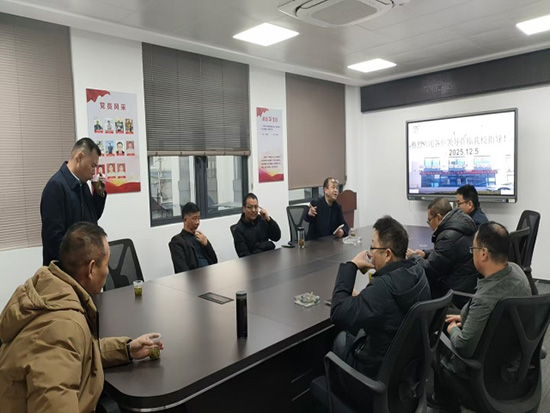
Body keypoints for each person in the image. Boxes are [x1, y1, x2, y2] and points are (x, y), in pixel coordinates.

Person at [0, 222, 163, 412]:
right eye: (106, 264)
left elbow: (80, 350)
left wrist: (127, 349)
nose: (108, 271)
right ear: (92, 268)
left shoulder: (51, 291)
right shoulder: (62, 328)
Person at [329, 216, 431, 408]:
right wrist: (365, 299)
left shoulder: (383, 288)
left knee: (341, 339)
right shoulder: (418, 273)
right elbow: (388, 308)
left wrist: (351, 266)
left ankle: (336, 396)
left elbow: (338, 312)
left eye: (373, 247)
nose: (370, 253)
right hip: (404, 380)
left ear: (388, 254)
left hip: (373, 383)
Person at [431, 222, 531, 411]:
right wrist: (466, 318)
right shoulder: (517, 271)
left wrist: (453, 331)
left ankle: (445, 403)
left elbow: (464, 347)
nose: (473, 253)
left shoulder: (484, 299)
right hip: (508, 357)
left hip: (484, 374)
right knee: (451, 313)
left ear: (483, 253)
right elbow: (489, 310)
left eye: (474, 249)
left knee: (436, 335)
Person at [40, 137, 107, 266]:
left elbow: (92, 218)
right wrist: (77, 264)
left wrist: (99, 194)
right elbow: (53, 239)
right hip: (64, 270)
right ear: (80, 157)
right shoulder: (56, 187)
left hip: (83, 266)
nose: (94, 171)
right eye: (92, 166)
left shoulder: (82, 185)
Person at [408, 197, 478, 308]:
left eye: (429, 220)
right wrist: (425, 254)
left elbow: (430, 270)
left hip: (455, 295)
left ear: (439, 217)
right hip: (467, 286)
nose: (429, 225)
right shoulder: (461, 224)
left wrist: (414, 257)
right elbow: (447, 253)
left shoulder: (448, 237)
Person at [169, 202, 218, 273]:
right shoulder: (177, 241)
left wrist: (207, 244)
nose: (197, 222)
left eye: (198, 218)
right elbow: (182, 270)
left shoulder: (200, 237)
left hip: (209, 273)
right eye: (194, 219)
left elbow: (215, 261)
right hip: (194, 277)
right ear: (185, 220)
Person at [232, 193, 281, 257]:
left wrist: (268, 219)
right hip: (253, 262)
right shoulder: (238, 229)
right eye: (250, 207)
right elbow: (244, 256)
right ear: (244, 209)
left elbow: (276, 237)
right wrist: (265, 246)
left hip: (268, 258)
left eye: (256, 207)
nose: (253, 210)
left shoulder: (262, 220)